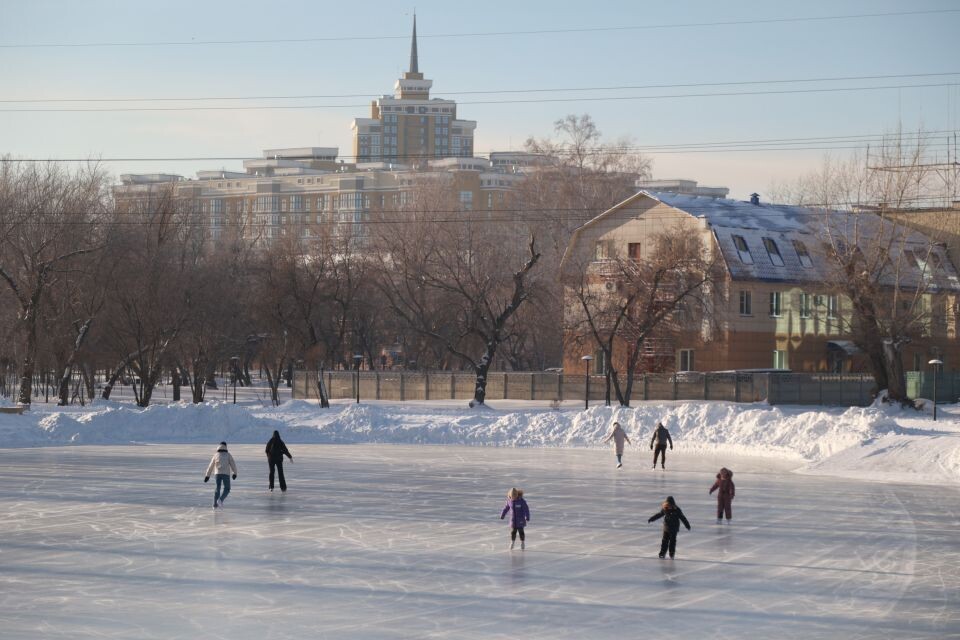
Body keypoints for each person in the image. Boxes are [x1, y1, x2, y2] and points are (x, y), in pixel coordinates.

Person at [204, 441, 238, 509]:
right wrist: (235, 473)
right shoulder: (228, 455)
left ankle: (214, 505)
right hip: (226, 474)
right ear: (225, 446)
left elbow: (211, 466)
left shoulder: (216, 455)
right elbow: (233, 464)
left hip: (217, 474)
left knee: (217, 488)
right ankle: (220, 500)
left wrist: (207, 475)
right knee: (227, 488)